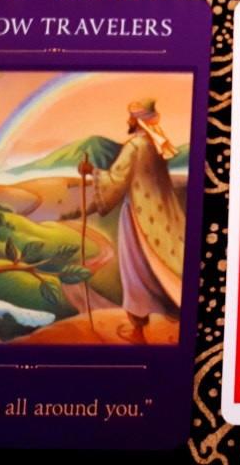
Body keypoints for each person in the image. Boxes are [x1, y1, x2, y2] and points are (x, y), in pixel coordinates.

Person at [78, 100, 185, 343]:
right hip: (156, 218)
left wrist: (91, 171)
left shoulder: (135, 145)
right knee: (154, 268)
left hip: (136, 215)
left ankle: (138, 332)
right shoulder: (154, 144)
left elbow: (117, 180)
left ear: (138, 121)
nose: (128, 121)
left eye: (131, 118)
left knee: (134, 271)